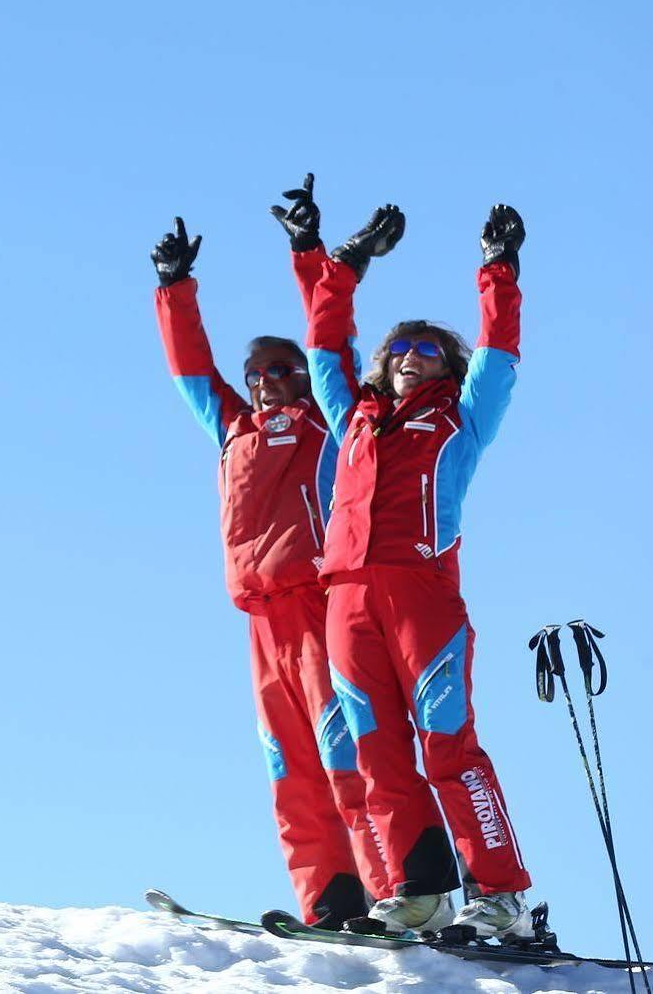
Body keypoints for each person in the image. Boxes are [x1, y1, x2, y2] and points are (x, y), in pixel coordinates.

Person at [151, 182, 389, 929]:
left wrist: (306, 251)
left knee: (346, 756)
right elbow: (191, 368)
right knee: (287, 768)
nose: (265, 384)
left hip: (323, 610)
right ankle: (328, 902)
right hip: (260, 624)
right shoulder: (231, 428)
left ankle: (392, 893)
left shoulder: (327, 419)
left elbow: (330, 340)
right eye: (254, 375)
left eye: (278, 371)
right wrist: (172, 287)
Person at [300, 196, 535, 939]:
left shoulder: (461, 418)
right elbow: (322, 344)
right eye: (399, 348)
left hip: (421, 599)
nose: (409, 357)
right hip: (344, 599)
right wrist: (346, 261)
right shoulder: (353, 417)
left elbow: (498, 354)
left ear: (447, 367)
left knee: (446, 747)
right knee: (377, 755)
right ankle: (419, 889)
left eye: (426, 350)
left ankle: (499, 894)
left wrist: (497, 269)